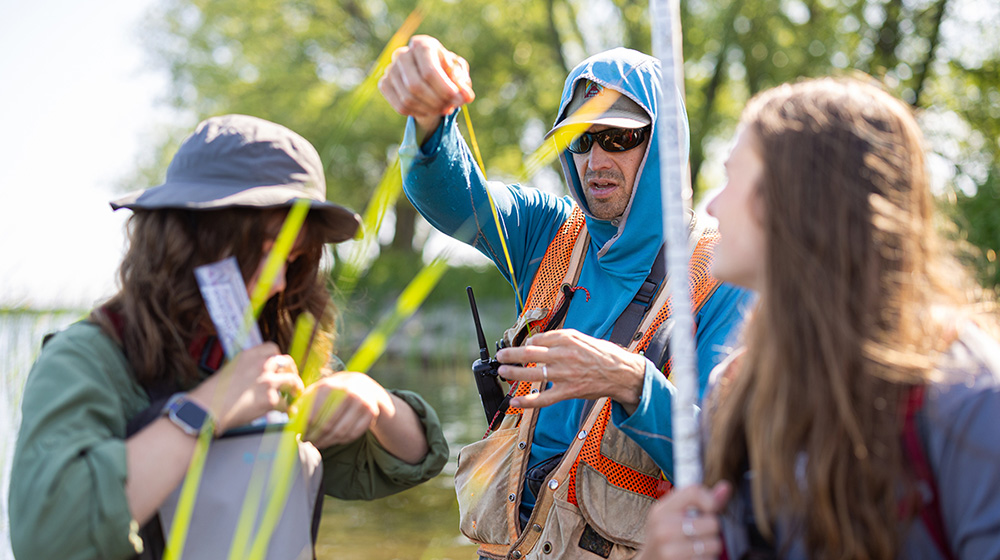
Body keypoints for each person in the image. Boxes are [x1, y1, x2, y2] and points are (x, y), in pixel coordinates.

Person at [8, 114, 449, 559]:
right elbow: (49, 540)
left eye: (292, 259)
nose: (279, 281)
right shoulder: (86, 359)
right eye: (263, 251)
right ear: (184, 242)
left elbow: (412, 458)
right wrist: (206, 410)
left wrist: (373, 401)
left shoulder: (265, 348)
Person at [379, 36, 753, 559]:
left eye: (617, 138)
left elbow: (731, 461)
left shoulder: (724, 278)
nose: (595, 159)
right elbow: (449, 193)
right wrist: (428, 121)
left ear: (664, 142)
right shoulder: (547, 231)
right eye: (579, 140)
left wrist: (632, 383)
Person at [638, 78, 1000, 559]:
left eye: (731, 179)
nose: (712, 205)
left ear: (793, 198)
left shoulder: (965, 397)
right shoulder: (736, 389)